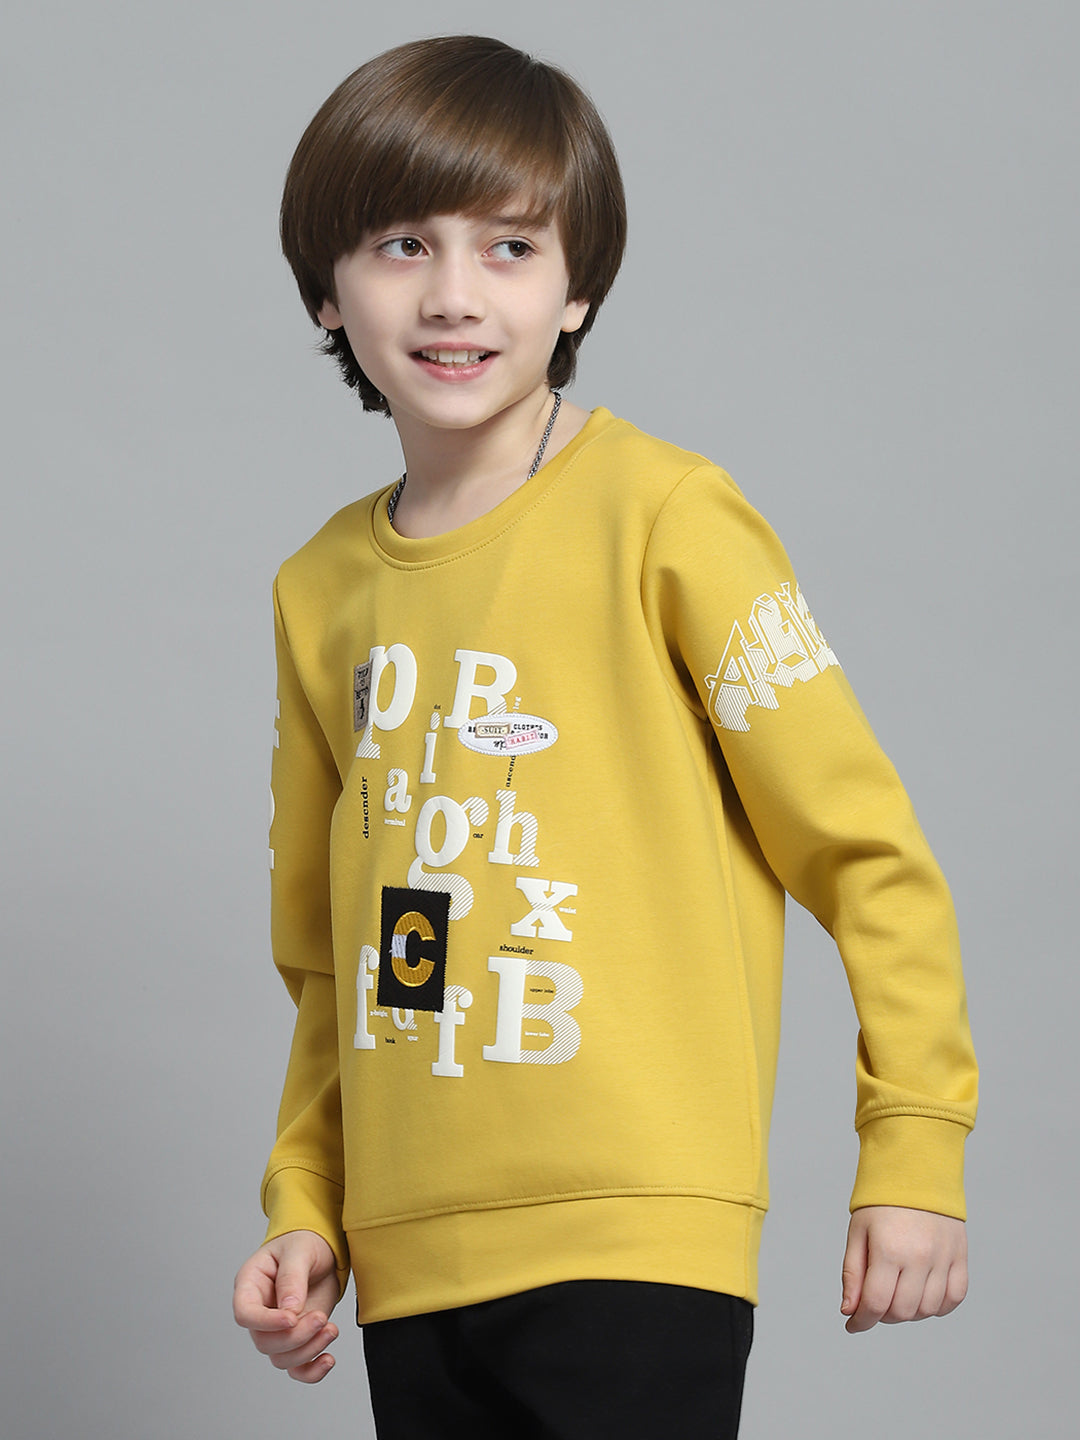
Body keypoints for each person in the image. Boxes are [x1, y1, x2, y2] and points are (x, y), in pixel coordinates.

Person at [232, 34, 977, 1438]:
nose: (455, 294)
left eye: (510, 247)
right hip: (407, 1257)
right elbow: (340, 956)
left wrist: (915, 1147)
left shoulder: (668, 518)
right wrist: (309, 1203)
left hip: (636, 1239)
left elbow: (866, 853)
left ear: (579, 289)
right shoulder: (319, 591)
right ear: (328, 290)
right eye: (401, 244)